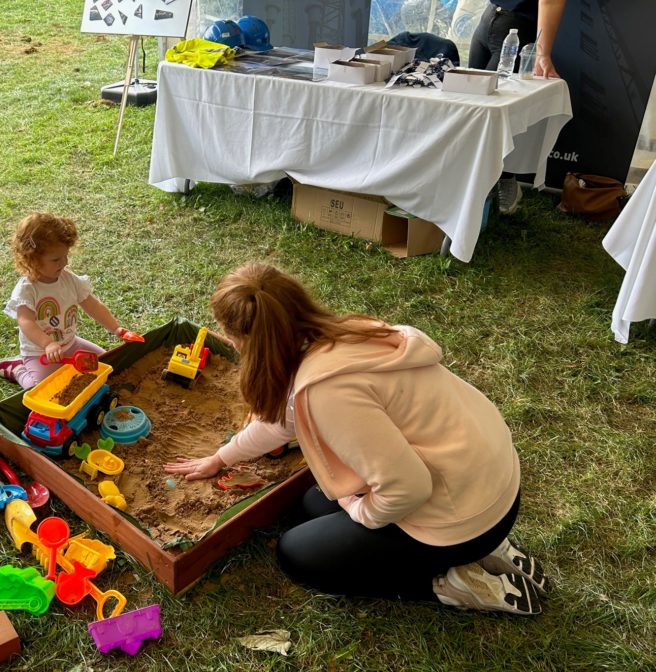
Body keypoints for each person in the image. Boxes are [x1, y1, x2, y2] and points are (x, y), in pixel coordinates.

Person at [165, 263, 548, 615]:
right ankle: (487, 547)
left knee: (298, 554)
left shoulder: (327, 391)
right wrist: (221, 458)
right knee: (315, 502)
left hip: (464, 516)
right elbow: (282, 423)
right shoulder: (343, 333)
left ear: (240, 341)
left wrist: (360, 512)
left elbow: (409, 487)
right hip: (489, 482)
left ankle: (453, 584)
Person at [0, 212, 138, 389]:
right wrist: (48, 344)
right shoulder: (27, 289)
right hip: (40, 353)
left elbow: (92, 305)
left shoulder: (69, 279)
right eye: (55, 259)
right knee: (40, 389)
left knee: (107, 366)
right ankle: (18, 369)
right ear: (32, 259)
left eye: (65, 255)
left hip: (70, 344)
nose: (64, 262)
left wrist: (116, 328)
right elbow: (25, 321)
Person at [469, 0, 566, 214]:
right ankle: (472, 187)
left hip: (514, 27)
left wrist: (542, 53)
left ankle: (505, 179)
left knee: (494, 112)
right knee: (473, 110)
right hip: (490, 19)